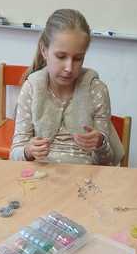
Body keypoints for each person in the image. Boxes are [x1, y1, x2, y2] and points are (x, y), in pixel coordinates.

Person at [9, 9, 124, 165]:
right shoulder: (32, 88)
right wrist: (28, 151)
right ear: (44, 50)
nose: (69, 68)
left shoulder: (96, 90)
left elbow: (107, 161)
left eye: (78, 59)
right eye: (61, 56)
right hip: (41, 173)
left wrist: (100, 144)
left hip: (86, 174)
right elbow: (14, 155)